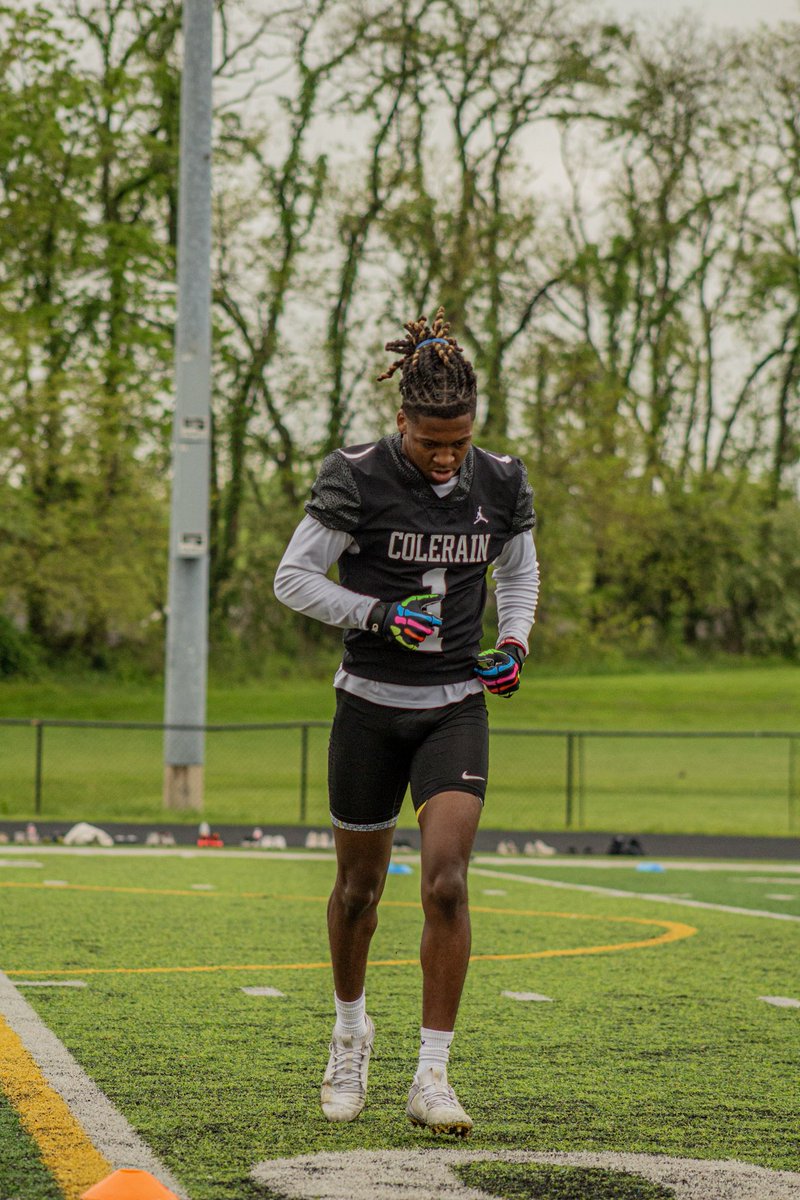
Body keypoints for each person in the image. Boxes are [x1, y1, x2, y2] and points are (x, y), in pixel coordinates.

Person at [273, 307, 539, 1136]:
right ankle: (350, 1034)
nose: (448, 457)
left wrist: (515, 643)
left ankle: (432, 1075)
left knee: (446, 881)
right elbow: (292, 578)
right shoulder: (354, 476)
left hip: (454, 708)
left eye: (460, 441)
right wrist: (375, 614)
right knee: (356, 891)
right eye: (433, 443)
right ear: (402, 423)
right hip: (369, 706)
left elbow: (519, 577)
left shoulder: (500, 480)